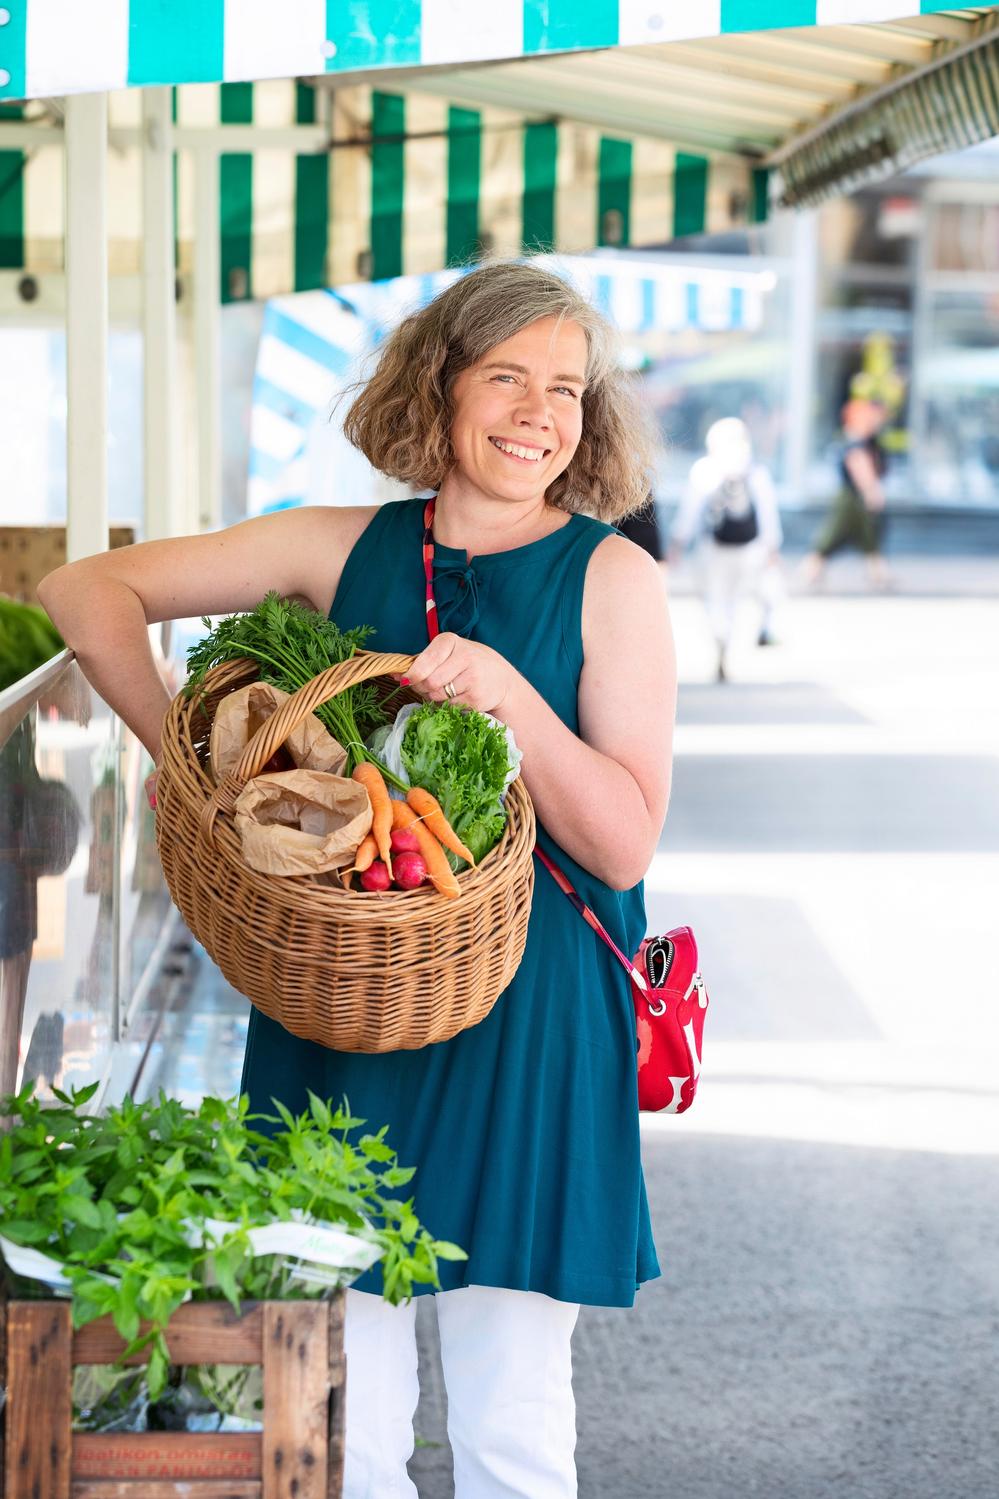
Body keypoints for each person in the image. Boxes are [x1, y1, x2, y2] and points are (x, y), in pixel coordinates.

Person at [37, 260, 677, 1499]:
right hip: (348, 1002)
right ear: (437, 388)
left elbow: (623, 840)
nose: (539, 412)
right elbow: (84, 588)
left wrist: (509, 696)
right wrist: (188, 757)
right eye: (506, 377)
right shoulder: (338, 550)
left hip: (532, 1013)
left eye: (566, 388)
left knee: (512, 1422)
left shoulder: (615, 579)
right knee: (345, 1416)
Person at [669, 416, 783, 683]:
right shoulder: (756, 471)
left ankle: (720, 639)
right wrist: (772, 548)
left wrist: (677, 543)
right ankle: (739, 636)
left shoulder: (705, 469)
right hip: (749, 549)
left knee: (716, 599)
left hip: (714, 549)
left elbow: (690, 511)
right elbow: (767, 514)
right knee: (737, 599)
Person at [801, 397, 893, 590]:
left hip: (855, 497)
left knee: (870, 539)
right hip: (852, 499)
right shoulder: (855, 442)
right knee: (833, 537)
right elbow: (861, 469)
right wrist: (872, 492)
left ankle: (878, 573)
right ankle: (809, 571)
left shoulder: (865, 441)